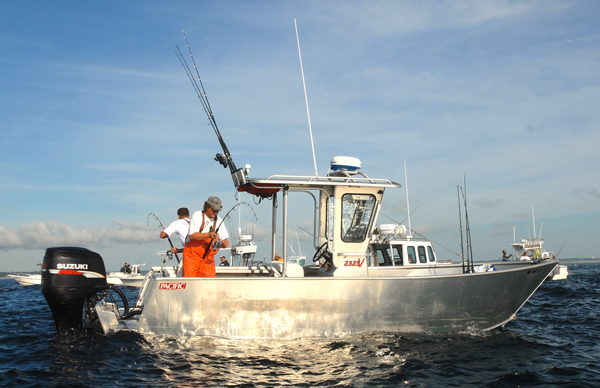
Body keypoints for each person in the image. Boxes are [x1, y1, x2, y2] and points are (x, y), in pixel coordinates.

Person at [183, 196, 230, 277]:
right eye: (214, 209)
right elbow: (192, 236)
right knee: (190, 281)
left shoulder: (219, 220)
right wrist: (208, 235)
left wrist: (225, 244)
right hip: (192, 257)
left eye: (217, 211)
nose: (215, 212)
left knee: (209, 281)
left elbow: (223, 240)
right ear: (207, 207)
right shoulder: (197, 215)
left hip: (208, 257)